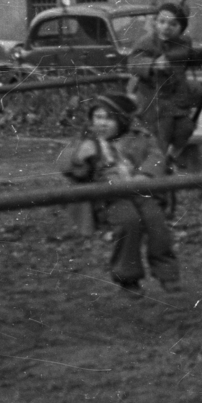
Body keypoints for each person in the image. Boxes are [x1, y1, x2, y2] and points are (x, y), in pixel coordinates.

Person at [62, 93, 180, 297]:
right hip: (110, 197)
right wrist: (80, 158)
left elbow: (157, 156)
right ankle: (128, 279)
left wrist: (145, 175)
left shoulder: (139, 136)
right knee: (129, 223)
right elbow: (68, 167)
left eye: (108, 118)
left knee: (156, 221)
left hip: (140, 191)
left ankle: (166, 273)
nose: (102, 123)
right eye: (97, 117)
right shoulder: (88, 141)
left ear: (122, 120)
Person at [127, 2, 202, 175]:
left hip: (176, 99)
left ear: (181, 29)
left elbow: (188, 57)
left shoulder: (184, 42)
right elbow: (133, 63)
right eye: (162, 22)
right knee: (161, 135)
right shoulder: (147, 42)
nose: (166, 28)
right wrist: (153, 64)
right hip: (153, 99)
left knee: (185, 128)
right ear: (156, 23)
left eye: (173, 24)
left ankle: (170, 158)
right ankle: (154, 173)